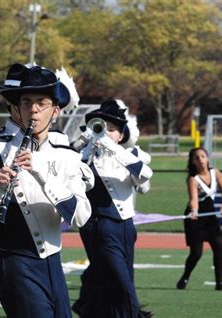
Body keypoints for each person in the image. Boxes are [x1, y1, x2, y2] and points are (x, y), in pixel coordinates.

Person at [0, 63, 92, 317]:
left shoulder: (67, 157)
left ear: (56, 111)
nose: (33, 110)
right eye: (27, 102)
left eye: (42, 102)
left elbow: (82, 216)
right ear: (17, 107)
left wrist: (40, 173)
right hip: (16, 263)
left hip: (54, 263)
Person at [72, 100, 153, 318]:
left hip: (120, 225)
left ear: (121, 135)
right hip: (91, 226)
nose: (105, 133)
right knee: (104, 276)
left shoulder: (131, 154)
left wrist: (113, 148)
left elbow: (145, 179)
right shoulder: (84, 154)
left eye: (112, 129)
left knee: (122, 277)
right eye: (101, 128)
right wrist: (81, 144)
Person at [176, 147, 222, 291]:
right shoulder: (193, 179)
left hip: (210, 217)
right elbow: (194, 199)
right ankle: (185, 276)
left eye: (202, 156)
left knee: (218, 246)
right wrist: (194, 211)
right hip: (195, 218)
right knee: (196, 253)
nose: (200, 160)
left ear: (207, 158)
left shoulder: (215, 172)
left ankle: (219, 282)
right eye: (196, 158)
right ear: (193, 162)